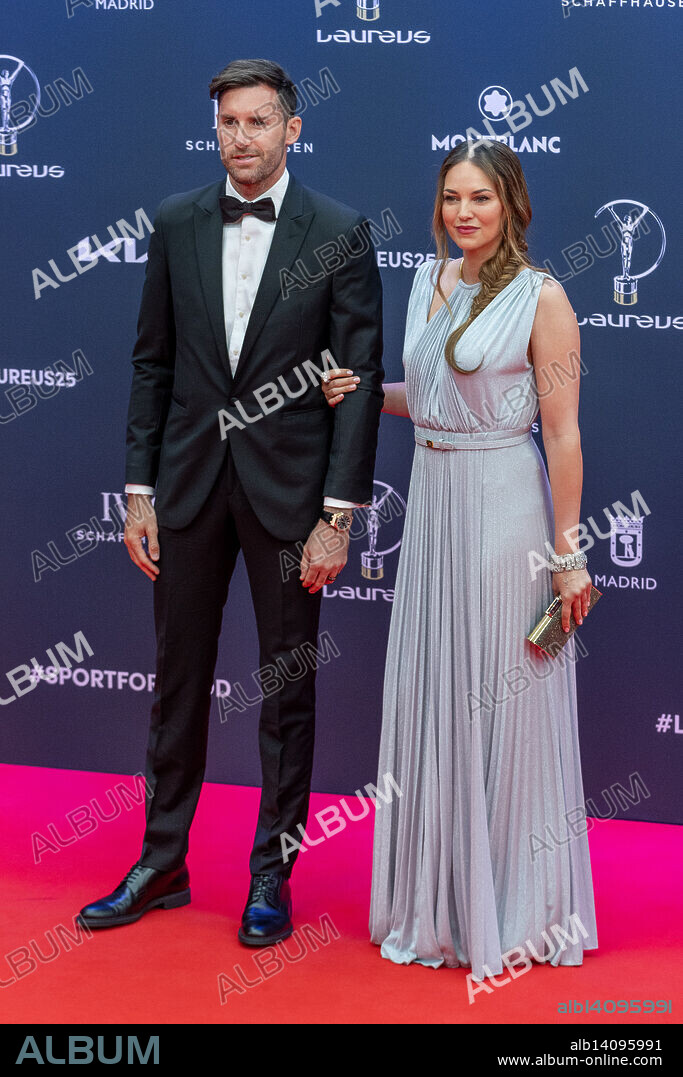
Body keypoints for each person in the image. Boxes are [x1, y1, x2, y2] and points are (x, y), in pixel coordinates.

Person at [77, 59, 384, 946]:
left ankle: (270, 875)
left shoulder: (340, 231)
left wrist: (337, 516)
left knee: (286, 692)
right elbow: (152, 362)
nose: (240, 137)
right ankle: (160, 862)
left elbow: (357, 383)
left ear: (293, 129)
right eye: (227, 122)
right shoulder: (175, 221)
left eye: (258, 121)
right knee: (176, 682)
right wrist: (139, 491)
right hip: (185, 489)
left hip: (291, 496)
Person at [321, 138, 597, 981]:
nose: (463, 213)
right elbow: (436, 396)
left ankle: (512, 903)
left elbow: (560, 431)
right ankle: (439, 900)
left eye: (479, 197)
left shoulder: (542, 296)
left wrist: (567, 553)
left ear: (511, 203)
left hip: (501, 506)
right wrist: (366, 394)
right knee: (437, 689)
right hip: (434, 498)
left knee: (498, 696)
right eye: (451, 198)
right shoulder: (426, 279)